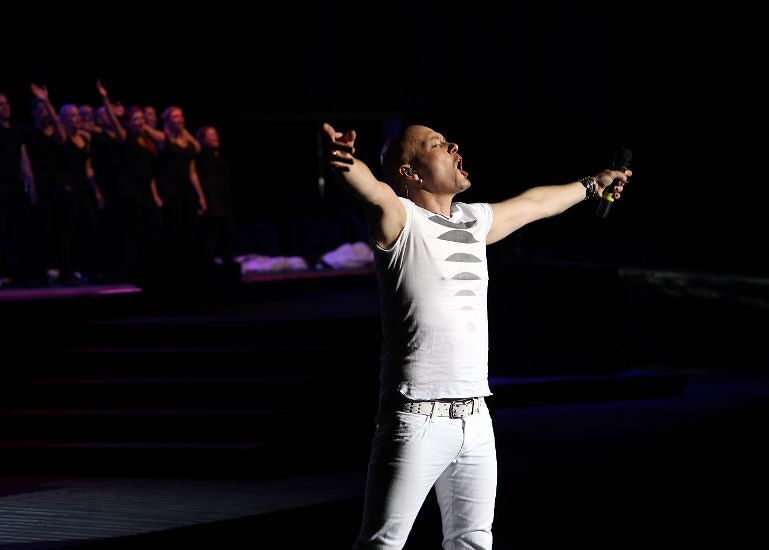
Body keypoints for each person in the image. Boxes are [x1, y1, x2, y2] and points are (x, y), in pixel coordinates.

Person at [322, 122, 630, 549]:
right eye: (436, 144)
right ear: (410, 173)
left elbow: (535, 204)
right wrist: (346, 162)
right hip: (417, 418)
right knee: (383, 543)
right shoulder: (402, 219)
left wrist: (592, 185)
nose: (452, 145)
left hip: (476, 418)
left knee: (473, 541)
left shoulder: (474, 221)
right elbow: (373, 191)